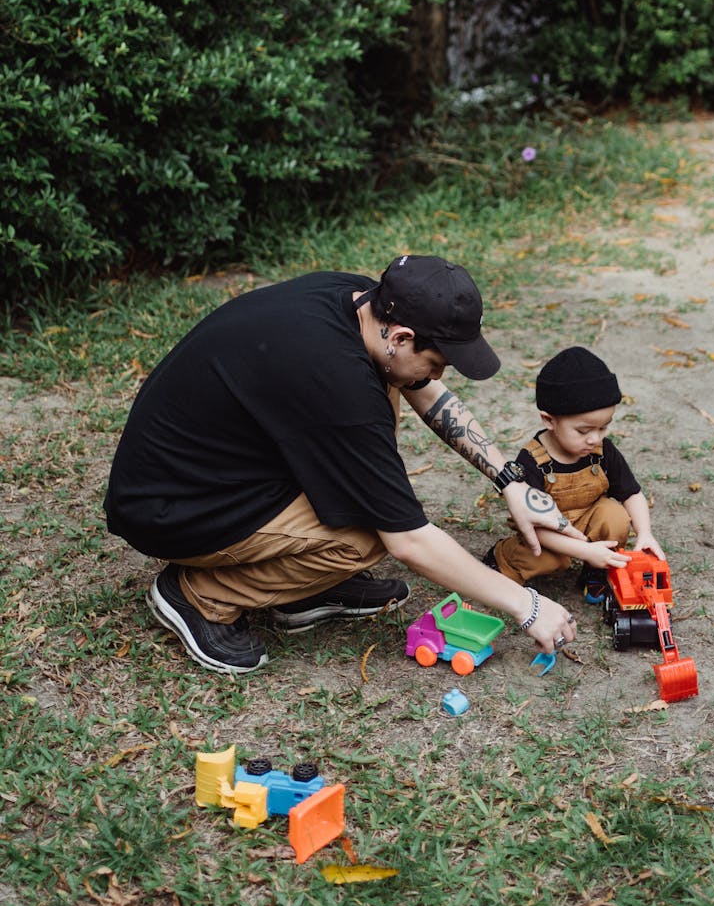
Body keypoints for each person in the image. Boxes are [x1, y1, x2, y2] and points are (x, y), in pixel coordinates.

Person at [104, 254, 586, 674]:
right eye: (439, 362)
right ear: (401, 335)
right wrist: (526, 604)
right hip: (171, 507)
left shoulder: (360, 301)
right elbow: (410, 541)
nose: (439, 376)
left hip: (216, 463)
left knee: (392, 383)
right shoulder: (341, 385)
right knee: (366, 534)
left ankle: (300, 588)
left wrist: (509, 481)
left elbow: (420, 386)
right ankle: (201, 594)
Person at [483, 346, 664, 602]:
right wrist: (583, 549)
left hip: (586, 517)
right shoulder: (531, 461)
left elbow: (631, 493)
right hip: (546, 531)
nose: (595, 438)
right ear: (549, 420)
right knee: (550, 558)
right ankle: (504, 561)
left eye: (604, 427)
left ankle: (595, 572)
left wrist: (644, 532)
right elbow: (536, 527)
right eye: (583, 430)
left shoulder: (602, 451)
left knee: (615, 517)